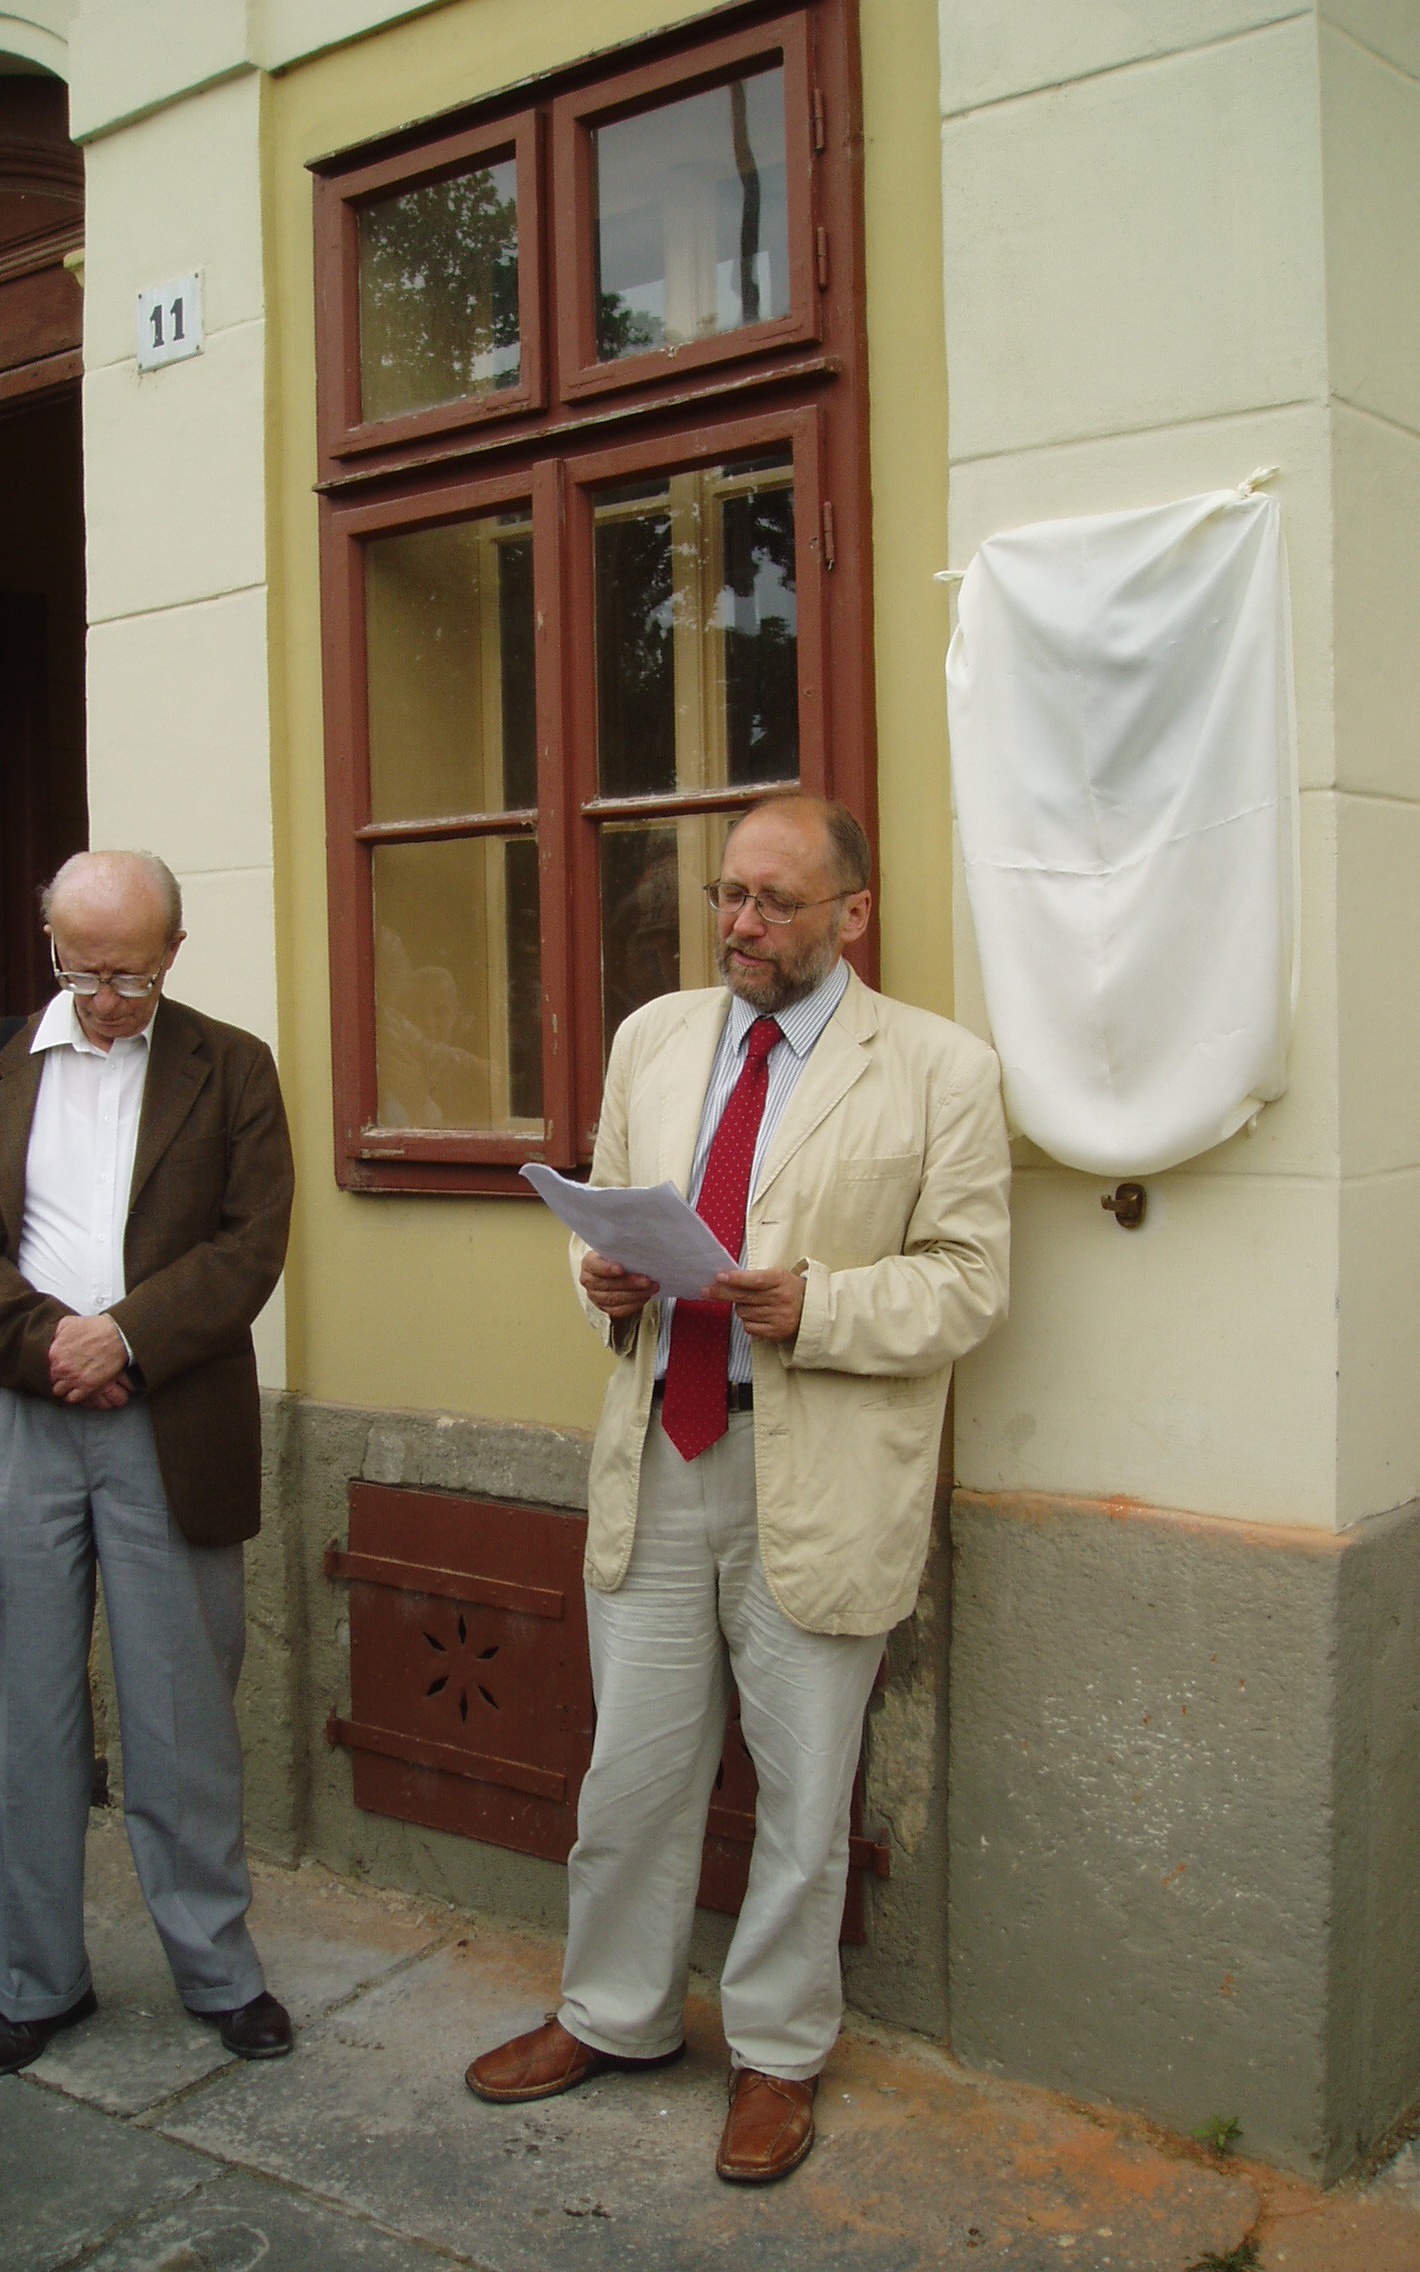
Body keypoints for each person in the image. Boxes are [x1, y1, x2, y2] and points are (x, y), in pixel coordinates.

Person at [465, 794, 1011, 2184]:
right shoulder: (655, 1037)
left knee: (803, 1792)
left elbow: (968, 1283)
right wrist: (597, 1277)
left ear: (853, 913)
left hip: (815, 1466)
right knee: (633, 1772)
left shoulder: (940, 1070)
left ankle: (777, 2053)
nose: (742, 923)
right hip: (660, 1444)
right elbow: (604, 1200)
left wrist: (818, 1306)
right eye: (729, 895)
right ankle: (613, 2013)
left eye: (775, 901)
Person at [0, 850, 295, 2079]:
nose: (106, 998)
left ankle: (218, 1968)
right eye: (81, 972)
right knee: (32, 1714)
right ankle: (39, 1981)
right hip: (20, 1420)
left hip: (168, 1418)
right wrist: (52, 1347)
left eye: (130, 975)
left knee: (182, 1711)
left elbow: (251, 1244)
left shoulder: (231, 1065)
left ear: (173, 951)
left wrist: (124, 1335)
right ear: (52, 947)